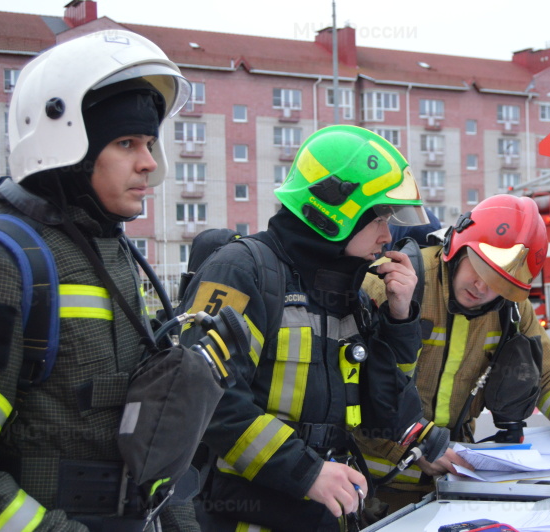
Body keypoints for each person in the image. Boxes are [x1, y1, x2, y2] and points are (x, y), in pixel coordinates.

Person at [0, 30, 201, 530]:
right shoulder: (2, 260)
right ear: (69, 150)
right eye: (126, 143)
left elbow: (155, 443)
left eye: (148, 142)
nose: (148, 162)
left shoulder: (115, 252)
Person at [177, 125, 446, 531]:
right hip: (245, 516)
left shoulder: (347, 291)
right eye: (379, 217)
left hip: (322, 516)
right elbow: (207, 396)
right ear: (338, 208)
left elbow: (383, 408)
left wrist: (400, 318)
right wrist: (307, 471)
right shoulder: (241, 270)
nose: (387, 235)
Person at [358, 194, 550, 509]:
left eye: (500, 281)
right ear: (457, 247)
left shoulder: (512, 307)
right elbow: (342, 388)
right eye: (481, 269)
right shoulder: (391, 285)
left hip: (455, 482)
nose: (483, 287)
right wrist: (411, 447)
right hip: (373, 483)